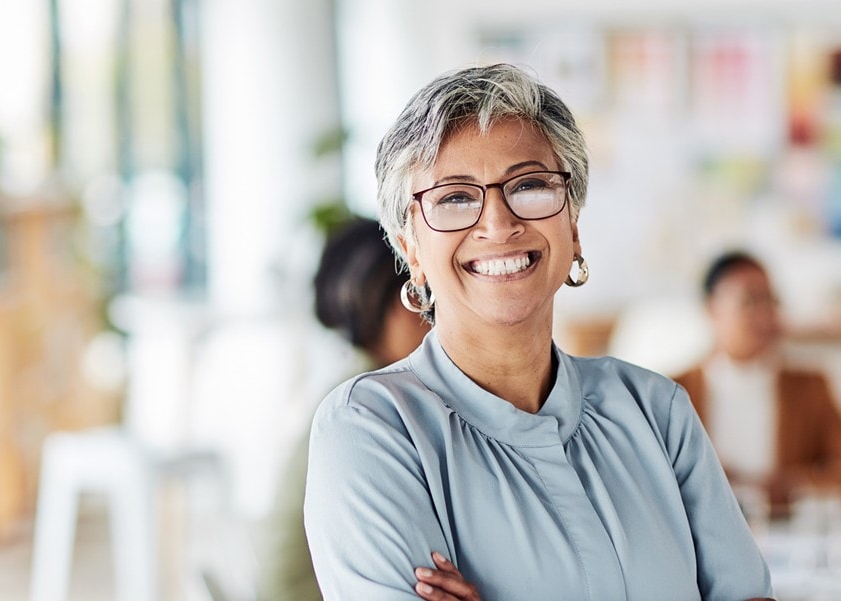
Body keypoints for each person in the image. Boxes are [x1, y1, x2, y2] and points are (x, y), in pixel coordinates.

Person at [303, 64, 773, 601]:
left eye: (528, 186)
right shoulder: (370, 429)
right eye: (454, 198)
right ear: (411, 248)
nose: (498, 224)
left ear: (572, 223)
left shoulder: (656, 411)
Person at [257, 217, 428, 601]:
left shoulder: (360, 384)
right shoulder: (373, 403)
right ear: (391, 306)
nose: (432, 319)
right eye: (418, 298)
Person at [673, 252, 841, 516]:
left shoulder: (809, 389)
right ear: (711, 309)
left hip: (784, 537)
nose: (765, 315)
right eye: (750, 301)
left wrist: (796, 485)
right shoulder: (673, 392)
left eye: (771, 301)